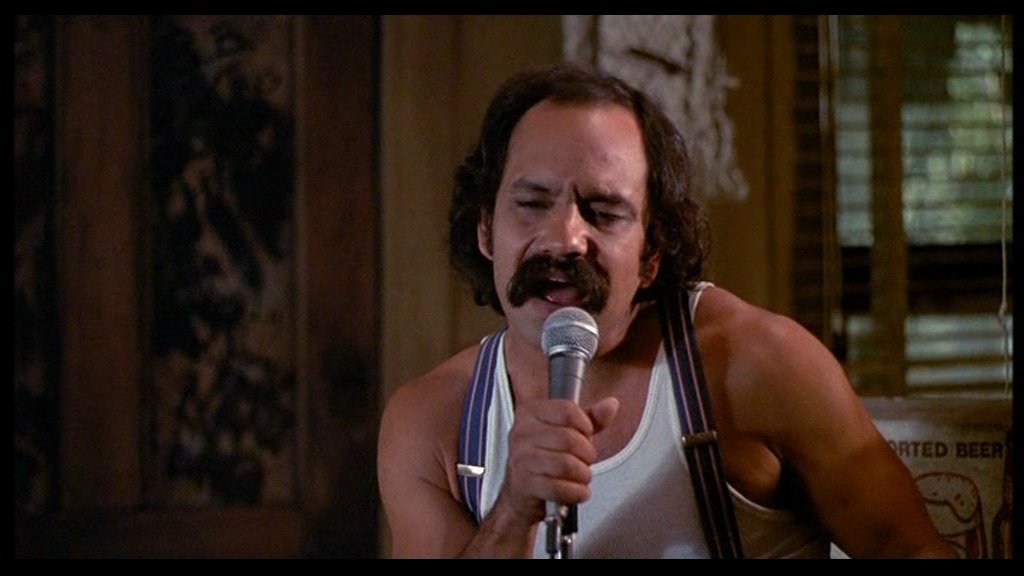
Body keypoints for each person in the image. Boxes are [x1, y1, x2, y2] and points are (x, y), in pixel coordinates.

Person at [377, 64, 956, 559]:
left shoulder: (757, 365)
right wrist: (513, 509)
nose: (565, 239)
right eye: (531, 203)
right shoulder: (432, 423)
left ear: (652, 252)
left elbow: (913, 549)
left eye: (603, 212)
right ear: (485, 230)